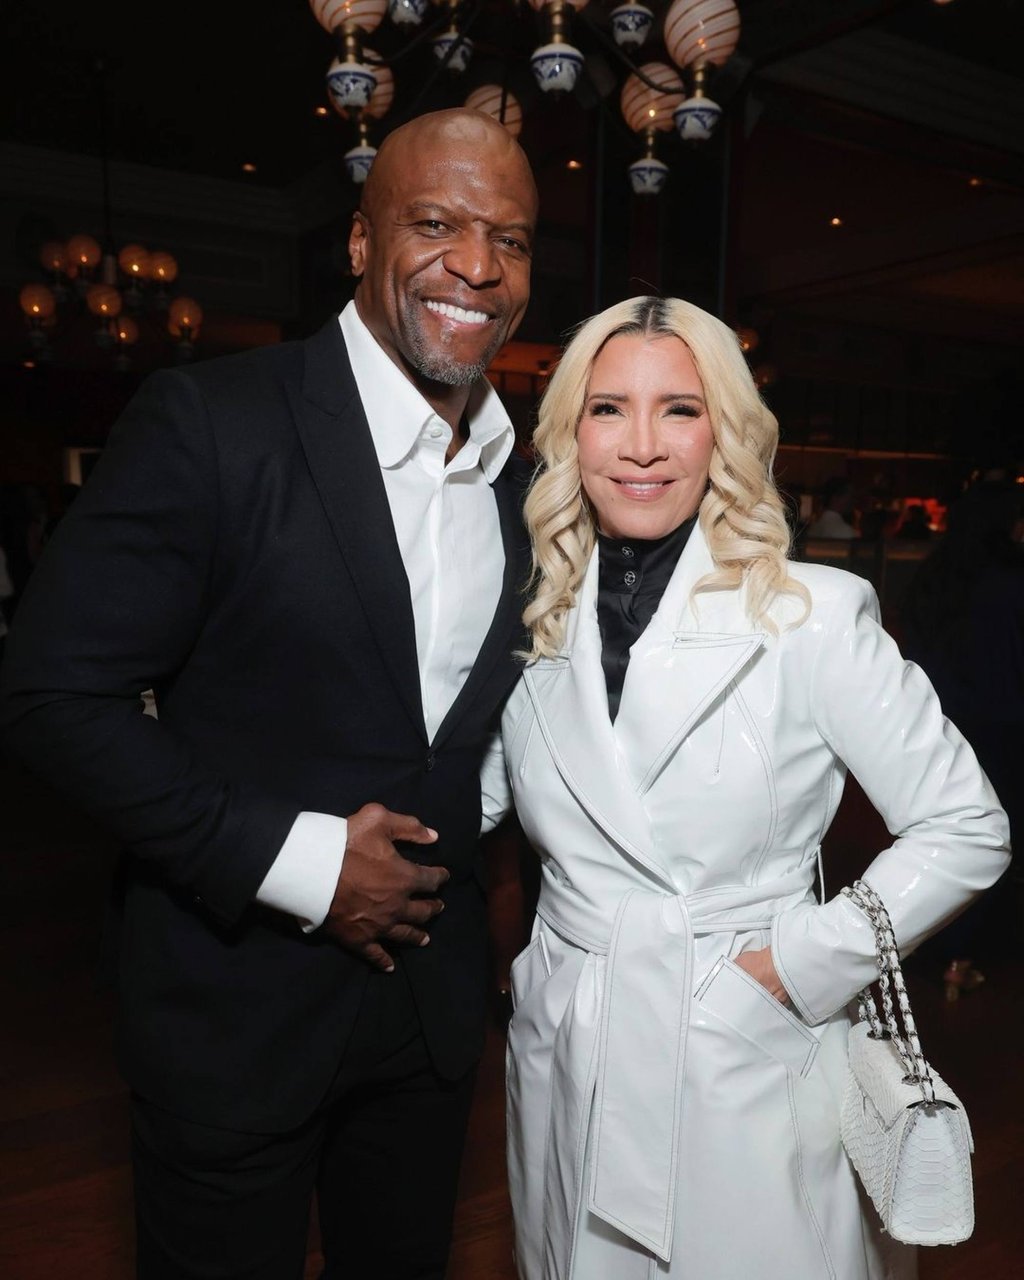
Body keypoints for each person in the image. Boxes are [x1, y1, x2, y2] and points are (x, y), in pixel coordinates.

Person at [0, 108, 537, 1280]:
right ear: (357, 241)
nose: (479, 268)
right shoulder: (214, 423)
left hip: (432, 1019)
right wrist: (296, 862)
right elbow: (49, 692)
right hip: (233, 1003)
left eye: (512, 238)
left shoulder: (529, 478)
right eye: (435, 224)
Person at [493, 296, 1009, 1280]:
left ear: (723, 430)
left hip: (740, 1049)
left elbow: (964, 826)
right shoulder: (535, 618)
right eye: (609, 407)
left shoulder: (810, 615)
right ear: (568, 430)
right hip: (572, 1042)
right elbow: (476, 796)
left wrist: (796, 962)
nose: (642, 443)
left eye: (679, 408)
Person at [902, 479, 1024, 998]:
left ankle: (928, 942)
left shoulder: (934, 575)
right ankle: (962, 957)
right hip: (1001, 727)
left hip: (939, 724)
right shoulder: (1011, 581)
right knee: (988, 834)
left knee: (934, 833)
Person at [807, 474, 857, 538]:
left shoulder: (814, 526)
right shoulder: (844, 530)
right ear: (835, 497)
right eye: (850, 496)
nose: (853, 501)